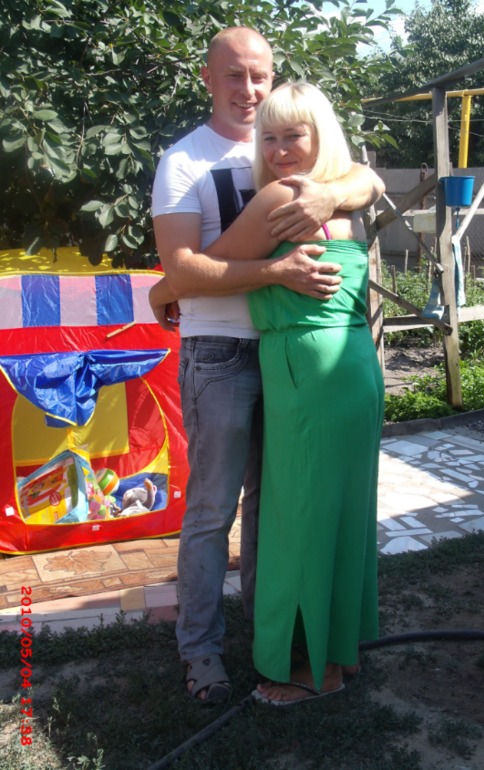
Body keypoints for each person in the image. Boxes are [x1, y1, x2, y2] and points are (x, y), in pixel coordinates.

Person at [150, 27, 384, 704]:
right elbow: (184, 268)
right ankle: (201, 651)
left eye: (259, 74)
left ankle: (274, 639)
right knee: (213, 511)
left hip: (289, 358)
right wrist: (256, 274)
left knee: (275, 512)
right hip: (221, 352)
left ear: (274, 79)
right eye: (234, 74)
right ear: (208, 78)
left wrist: (335, 193)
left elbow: (367, 178)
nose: (248, 88)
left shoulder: (293, 145)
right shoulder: (184, 160)